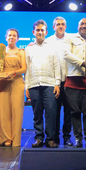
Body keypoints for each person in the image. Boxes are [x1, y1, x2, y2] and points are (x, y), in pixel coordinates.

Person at [62, 18, 86, 148]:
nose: (84, 26)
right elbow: (65, 54)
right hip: (73, 81)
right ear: (78, 27)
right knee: (74, 112)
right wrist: (83, 63)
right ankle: (78, 138)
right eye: (82, 24)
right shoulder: (69, 38)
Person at [26, 20, 61, 148]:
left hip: (50, 83)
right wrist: (27, 86)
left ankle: (50, 139)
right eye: (37, 30)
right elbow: (27, 69)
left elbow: (57, 66)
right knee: (37, 112)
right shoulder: (28, 49)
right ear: (33, 32)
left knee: (51, 112)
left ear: (46, 32)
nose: (40, 32)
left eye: (42, 30)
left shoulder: (52, 47)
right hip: (34, 84)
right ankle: (39, 138)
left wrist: (57, 84)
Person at [46, 16, 73, 146]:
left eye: (63, 24)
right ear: (53, 27)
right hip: (53, 82)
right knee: (54, 111)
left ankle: (67, 137)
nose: (60, 26)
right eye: (58, 24)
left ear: (65, 26)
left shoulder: (71, 39)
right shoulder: (48, 41)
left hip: (69, 81)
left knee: (68, 112)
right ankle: (54, 137)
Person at [0, 28, 27, 147]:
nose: (11, 37)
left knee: (17, 111)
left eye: (14, 35)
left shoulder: (21, 51)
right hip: (3, 81)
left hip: (17, 81)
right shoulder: (0, 51)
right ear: (6, 37)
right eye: (9, 35)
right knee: (4, 111)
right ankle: (6, 138)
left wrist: (13, 73)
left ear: (17, 38)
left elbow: (24, 69)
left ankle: (16, 140)